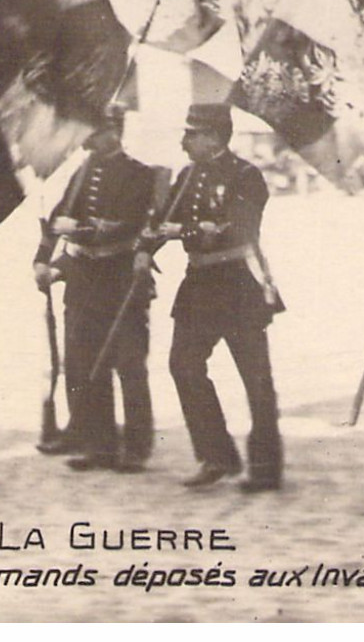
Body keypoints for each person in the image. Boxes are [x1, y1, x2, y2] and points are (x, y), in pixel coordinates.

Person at [141, 103, 283, 492]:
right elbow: (161, 223)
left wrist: (184, 231)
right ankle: (216, 455)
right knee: (183, 366)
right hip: (199, 287)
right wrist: (144, 250)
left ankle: (266, 468)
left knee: (256, 380)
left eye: (192, 134)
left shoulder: (246, 176)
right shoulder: (187, 175)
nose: (184, 141)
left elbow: (237, 229)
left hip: (238, 285)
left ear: (215, 137)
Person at [33, 105, 159, 474]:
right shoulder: (81, 172)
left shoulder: (139, 175)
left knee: (129, 365)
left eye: (96, 132)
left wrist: (79, 230)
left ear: (114, 132)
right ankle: (98, 444)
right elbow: (55, 221)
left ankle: (136, 446)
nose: (88, 140)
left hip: (121, 280)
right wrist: (42, 260)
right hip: (83, 282)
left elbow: (124, 225)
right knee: (84, 365)